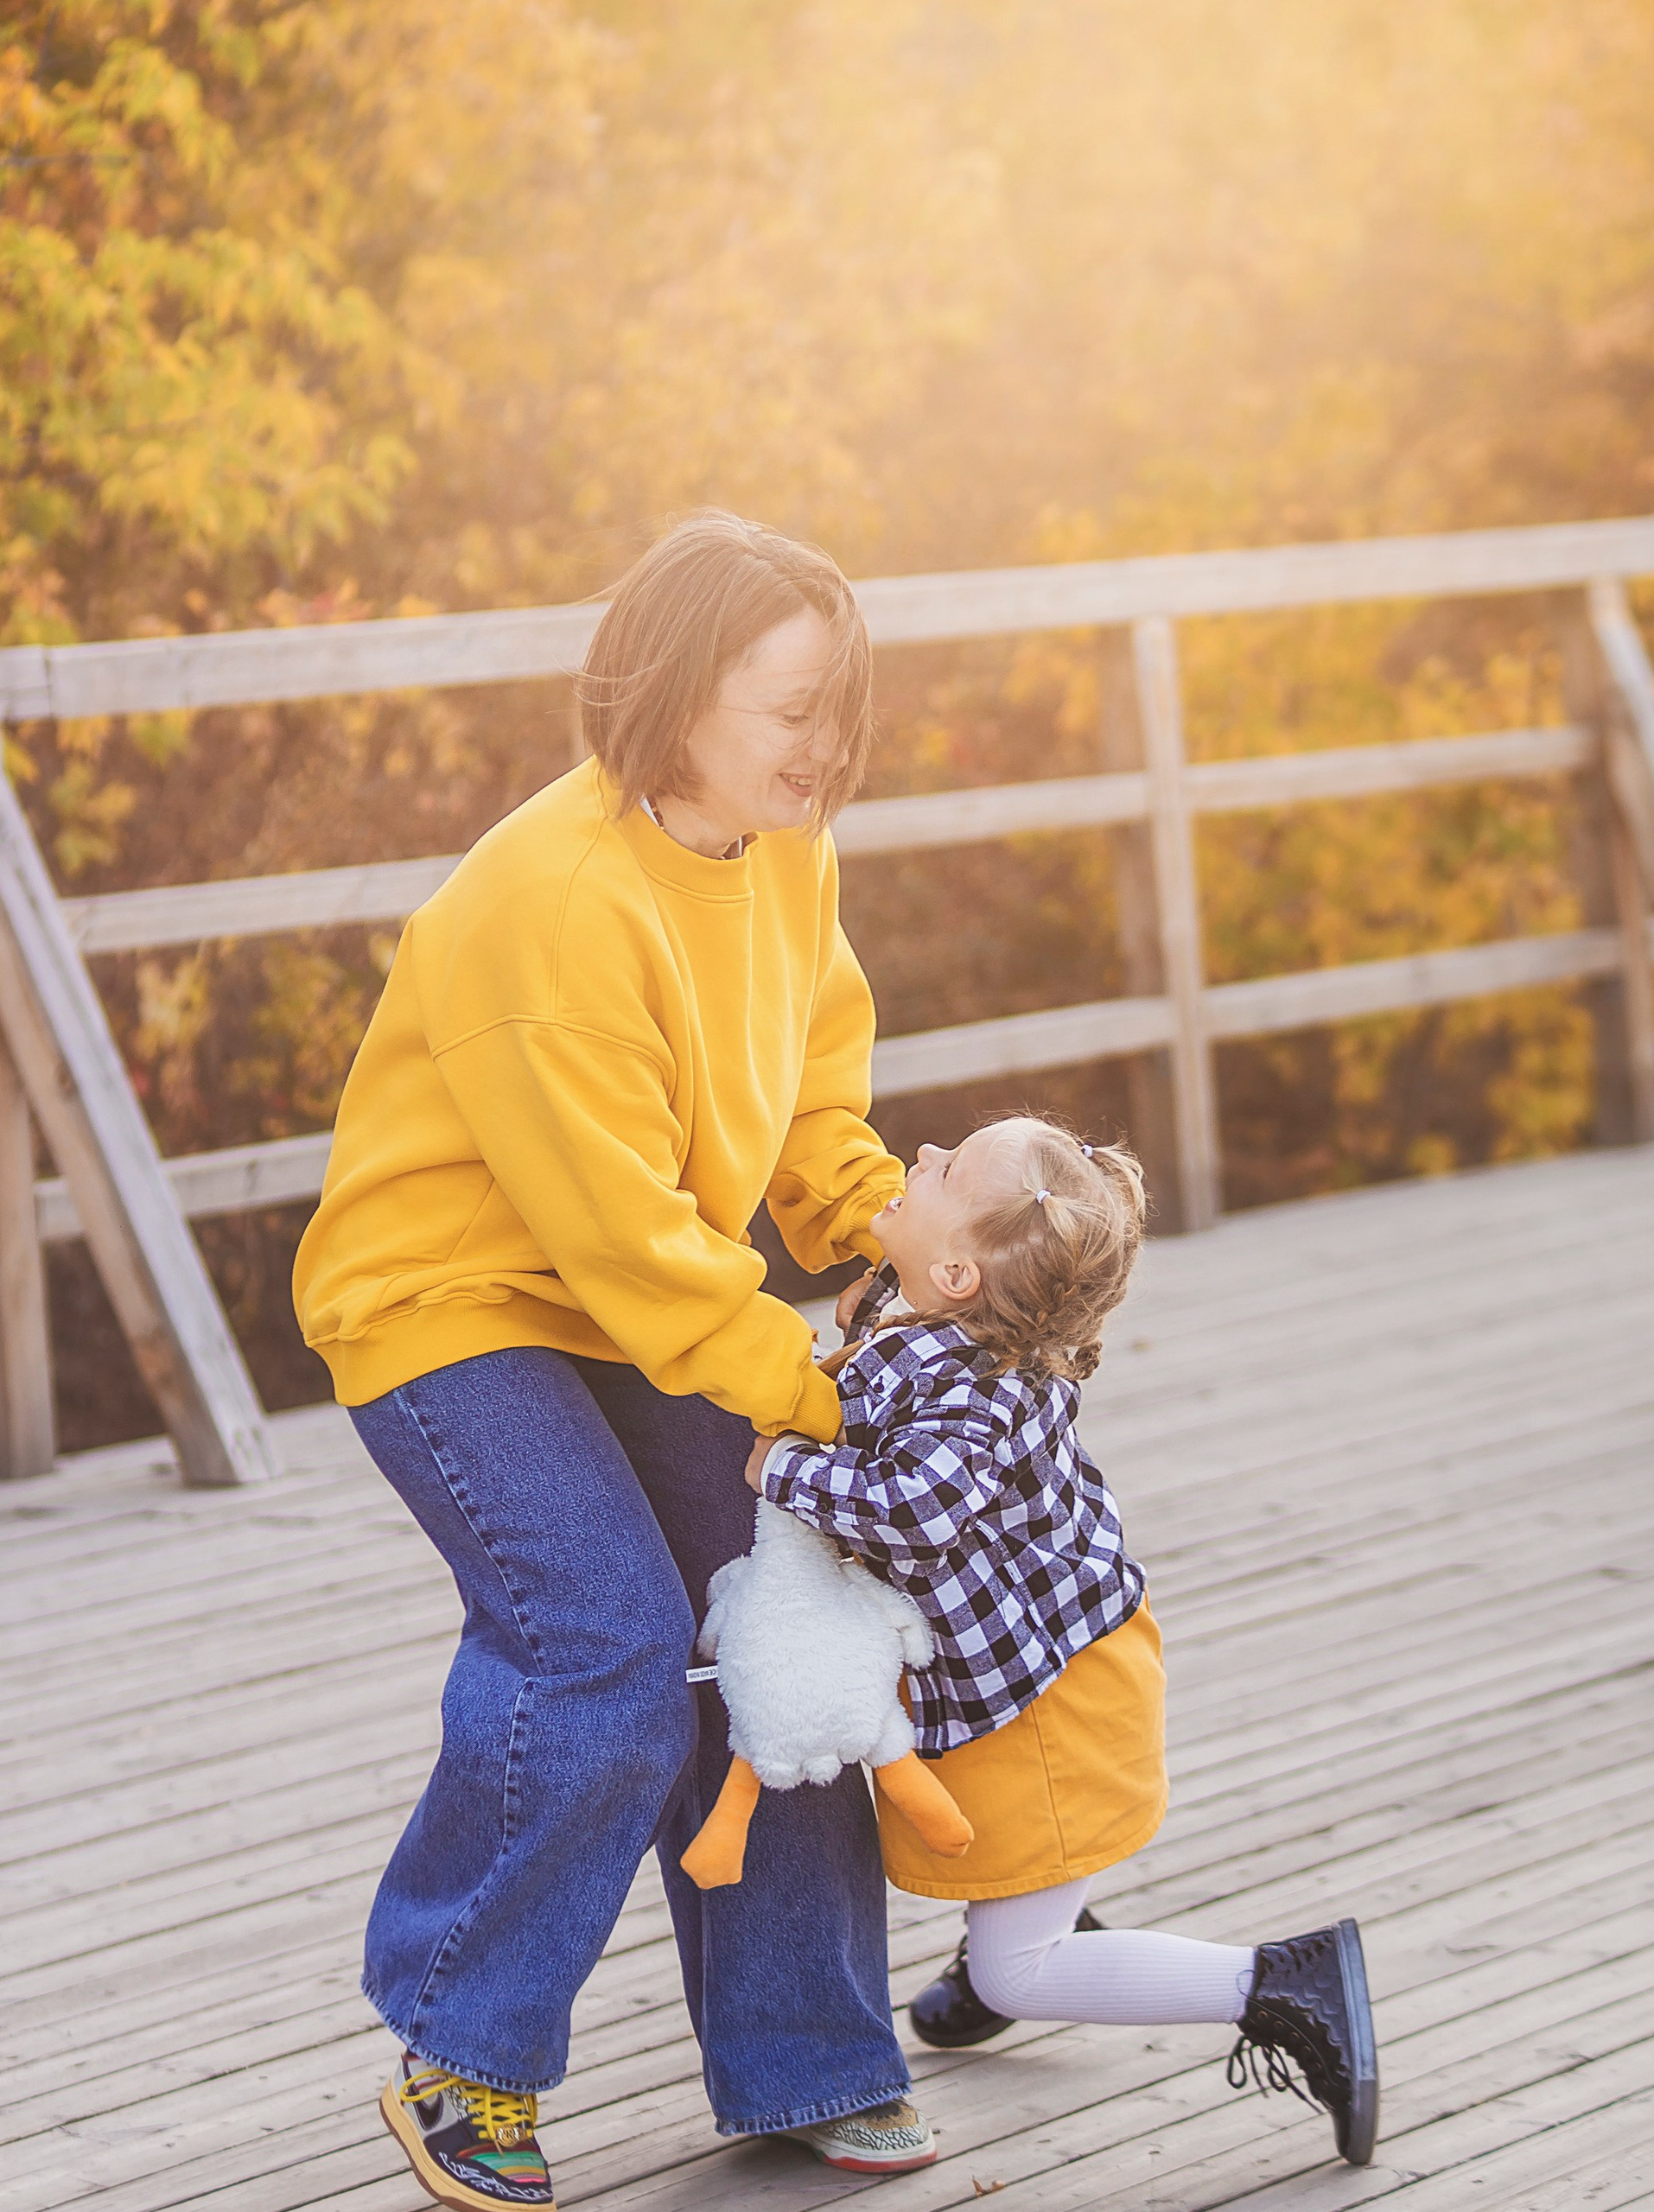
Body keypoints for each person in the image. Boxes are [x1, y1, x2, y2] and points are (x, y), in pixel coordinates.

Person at [292, 513, 937, 2212]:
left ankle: (808, 2055)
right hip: (452, 1303)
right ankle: (465, 2046)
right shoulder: (554, 903)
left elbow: (811, 1093)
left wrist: (898, 1238)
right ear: (672, 693)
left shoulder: (784, 842)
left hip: (638, 1286)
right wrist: (834, 1398)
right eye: (788, 709)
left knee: (779, 1612)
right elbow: (629, 1243)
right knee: (609, 1643)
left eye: (839, 705)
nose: (825, 745)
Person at [747, 1115, 1383, 2168]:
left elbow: (915, 1511)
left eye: (946, 1168)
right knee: (1007, 1860)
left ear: (960, 1272)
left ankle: (1280, 1983)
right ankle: (1035, 1921)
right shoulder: (945, 1314)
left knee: (1020, 1969)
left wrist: (781, 1468)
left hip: (1045, 1699)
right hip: (1028, 1668)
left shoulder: (971, 1387)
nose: (918, 1158)